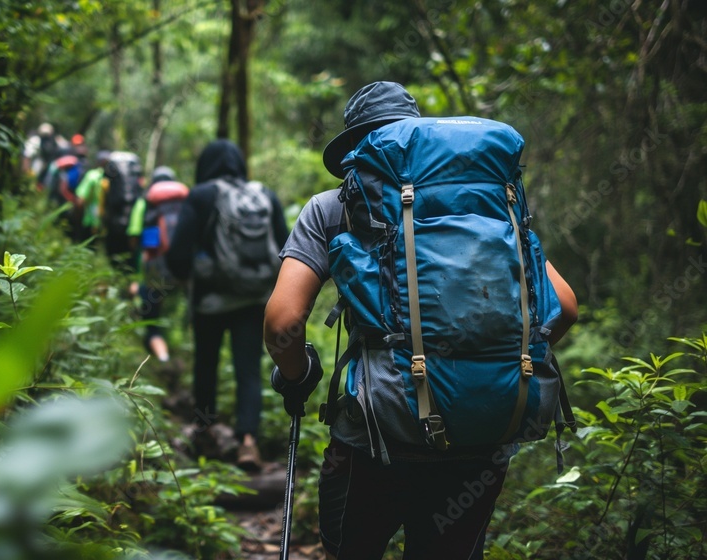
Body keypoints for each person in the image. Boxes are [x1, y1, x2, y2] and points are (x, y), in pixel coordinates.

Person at [263, 82, 579, 559]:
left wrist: (296, 375)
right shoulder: (493, 205)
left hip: (374, 436)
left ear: (354, 148)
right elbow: (565, 306)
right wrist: (495, 360)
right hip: (480, 437)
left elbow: (283, 322)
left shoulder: (332, 207)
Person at [166, 139, 290, 471]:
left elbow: (177, 253)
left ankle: (204, 431)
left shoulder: (202, 195)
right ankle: (248, 442)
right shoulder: (263, 194)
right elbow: (285, 245)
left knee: (206, 364)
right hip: (253, 299)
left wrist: (187, 275)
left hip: (210, 299)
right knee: (248, 369)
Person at [127, 166, 189, 363]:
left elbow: (137, 236)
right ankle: (183, 347)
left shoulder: (145, 203)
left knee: (151, 314)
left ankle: (162, 357)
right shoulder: (184, 203)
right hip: (182, 266)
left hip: (155, 268)